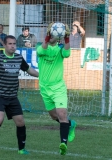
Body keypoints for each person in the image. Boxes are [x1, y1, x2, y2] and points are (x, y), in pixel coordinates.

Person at [36, 22, 76, 155]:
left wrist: (67, 39)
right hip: (45, 88)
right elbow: (42, 49)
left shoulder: (60, 50)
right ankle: (70, 124)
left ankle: (63, 144)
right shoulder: (41, 49)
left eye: (54, 35)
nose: (53, 37)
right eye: (50, 35)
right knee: (54, 116)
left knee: (61, 114)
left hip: (58, 87)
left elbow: (67, 53)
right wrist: (47, 38)